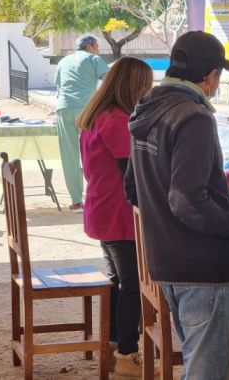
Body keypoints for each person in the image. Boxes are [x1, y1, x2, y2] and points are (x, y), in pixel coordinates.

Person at [124, 31, 229, 380]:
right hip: (204, 269)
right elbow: (185, 199)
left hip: (167, 263)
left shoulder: (146, 109)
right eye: (217, 77)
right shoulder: (193, 116)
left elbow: (133, 189)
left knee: (200, 366)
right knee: (207, 372)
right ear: (210, 76)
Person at [76, 57, 153, 377]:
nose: (148, 92)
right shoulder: (117, 120)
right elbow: (131, 175)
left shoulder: (96, 116)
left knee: (119, 282)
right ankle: (127, 353)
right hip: (118, 214)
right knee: (133, 285)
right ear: (133, 87)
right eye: (145, 86)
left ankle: (113, 343)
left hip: (101, 209)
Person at [55, 34, 108, 212]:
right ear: (90, 46)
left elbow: (59, 87)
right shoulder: (94, 59)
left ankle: (76, 202)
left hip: (63, 109)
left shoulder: (63, 61)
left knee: (69, 156)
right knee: (92, 153)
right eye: (97, 46)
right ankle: (97, 196)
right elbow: (108, 83)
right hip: (87, 109)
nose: (98, 49)